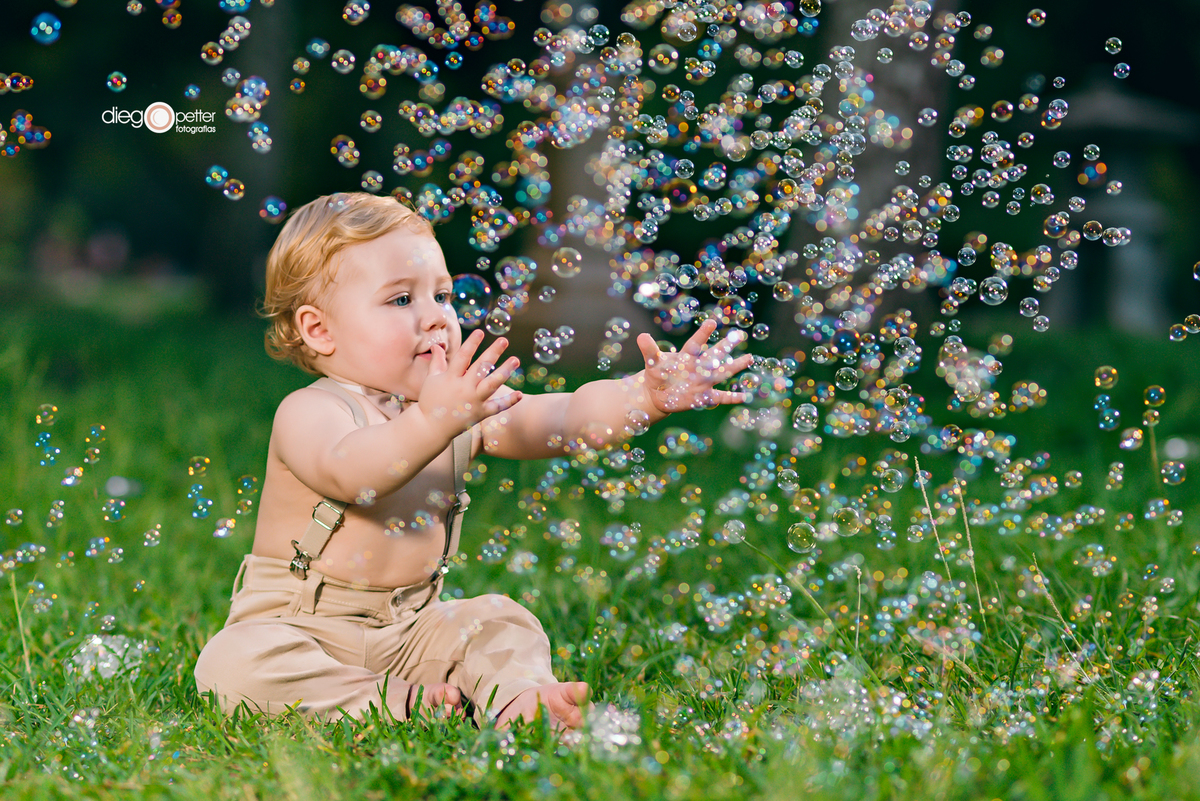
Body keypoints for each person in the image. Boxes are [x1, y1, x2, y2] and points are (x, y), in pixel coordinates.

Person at [194, 192, 753, 729]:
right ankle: (385, 702)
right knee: (234, 666)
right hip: (302, 629)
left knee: (499, 620)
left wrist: (643, 398)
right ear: (320, 330)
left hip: (413, 630)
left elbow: (564, 421)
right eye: (400, 299)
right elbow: (355, 474)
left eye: (441, 295)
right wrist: (434, 419)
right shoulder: (312, 411)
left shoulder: (460, 410)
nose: (437, 317)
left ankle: (521, 701)